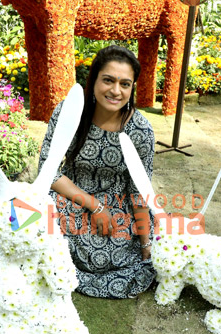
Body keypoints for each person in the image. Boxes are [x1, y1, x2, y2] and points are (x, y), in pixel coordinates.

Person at [38, 45, 156, 299]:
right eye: (108, 80)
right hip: (69, 195)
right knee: (26, 223)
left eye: (125, 84)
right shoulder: (70, 112)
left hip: (117, 206)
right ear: (93, 81)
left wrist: (146, 244)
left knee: (104, 258)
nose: (116, 90)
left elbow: (139, 191)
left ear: (132, 88)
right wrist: (94, 206)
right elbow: (48, 170)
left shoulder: (140, 130)